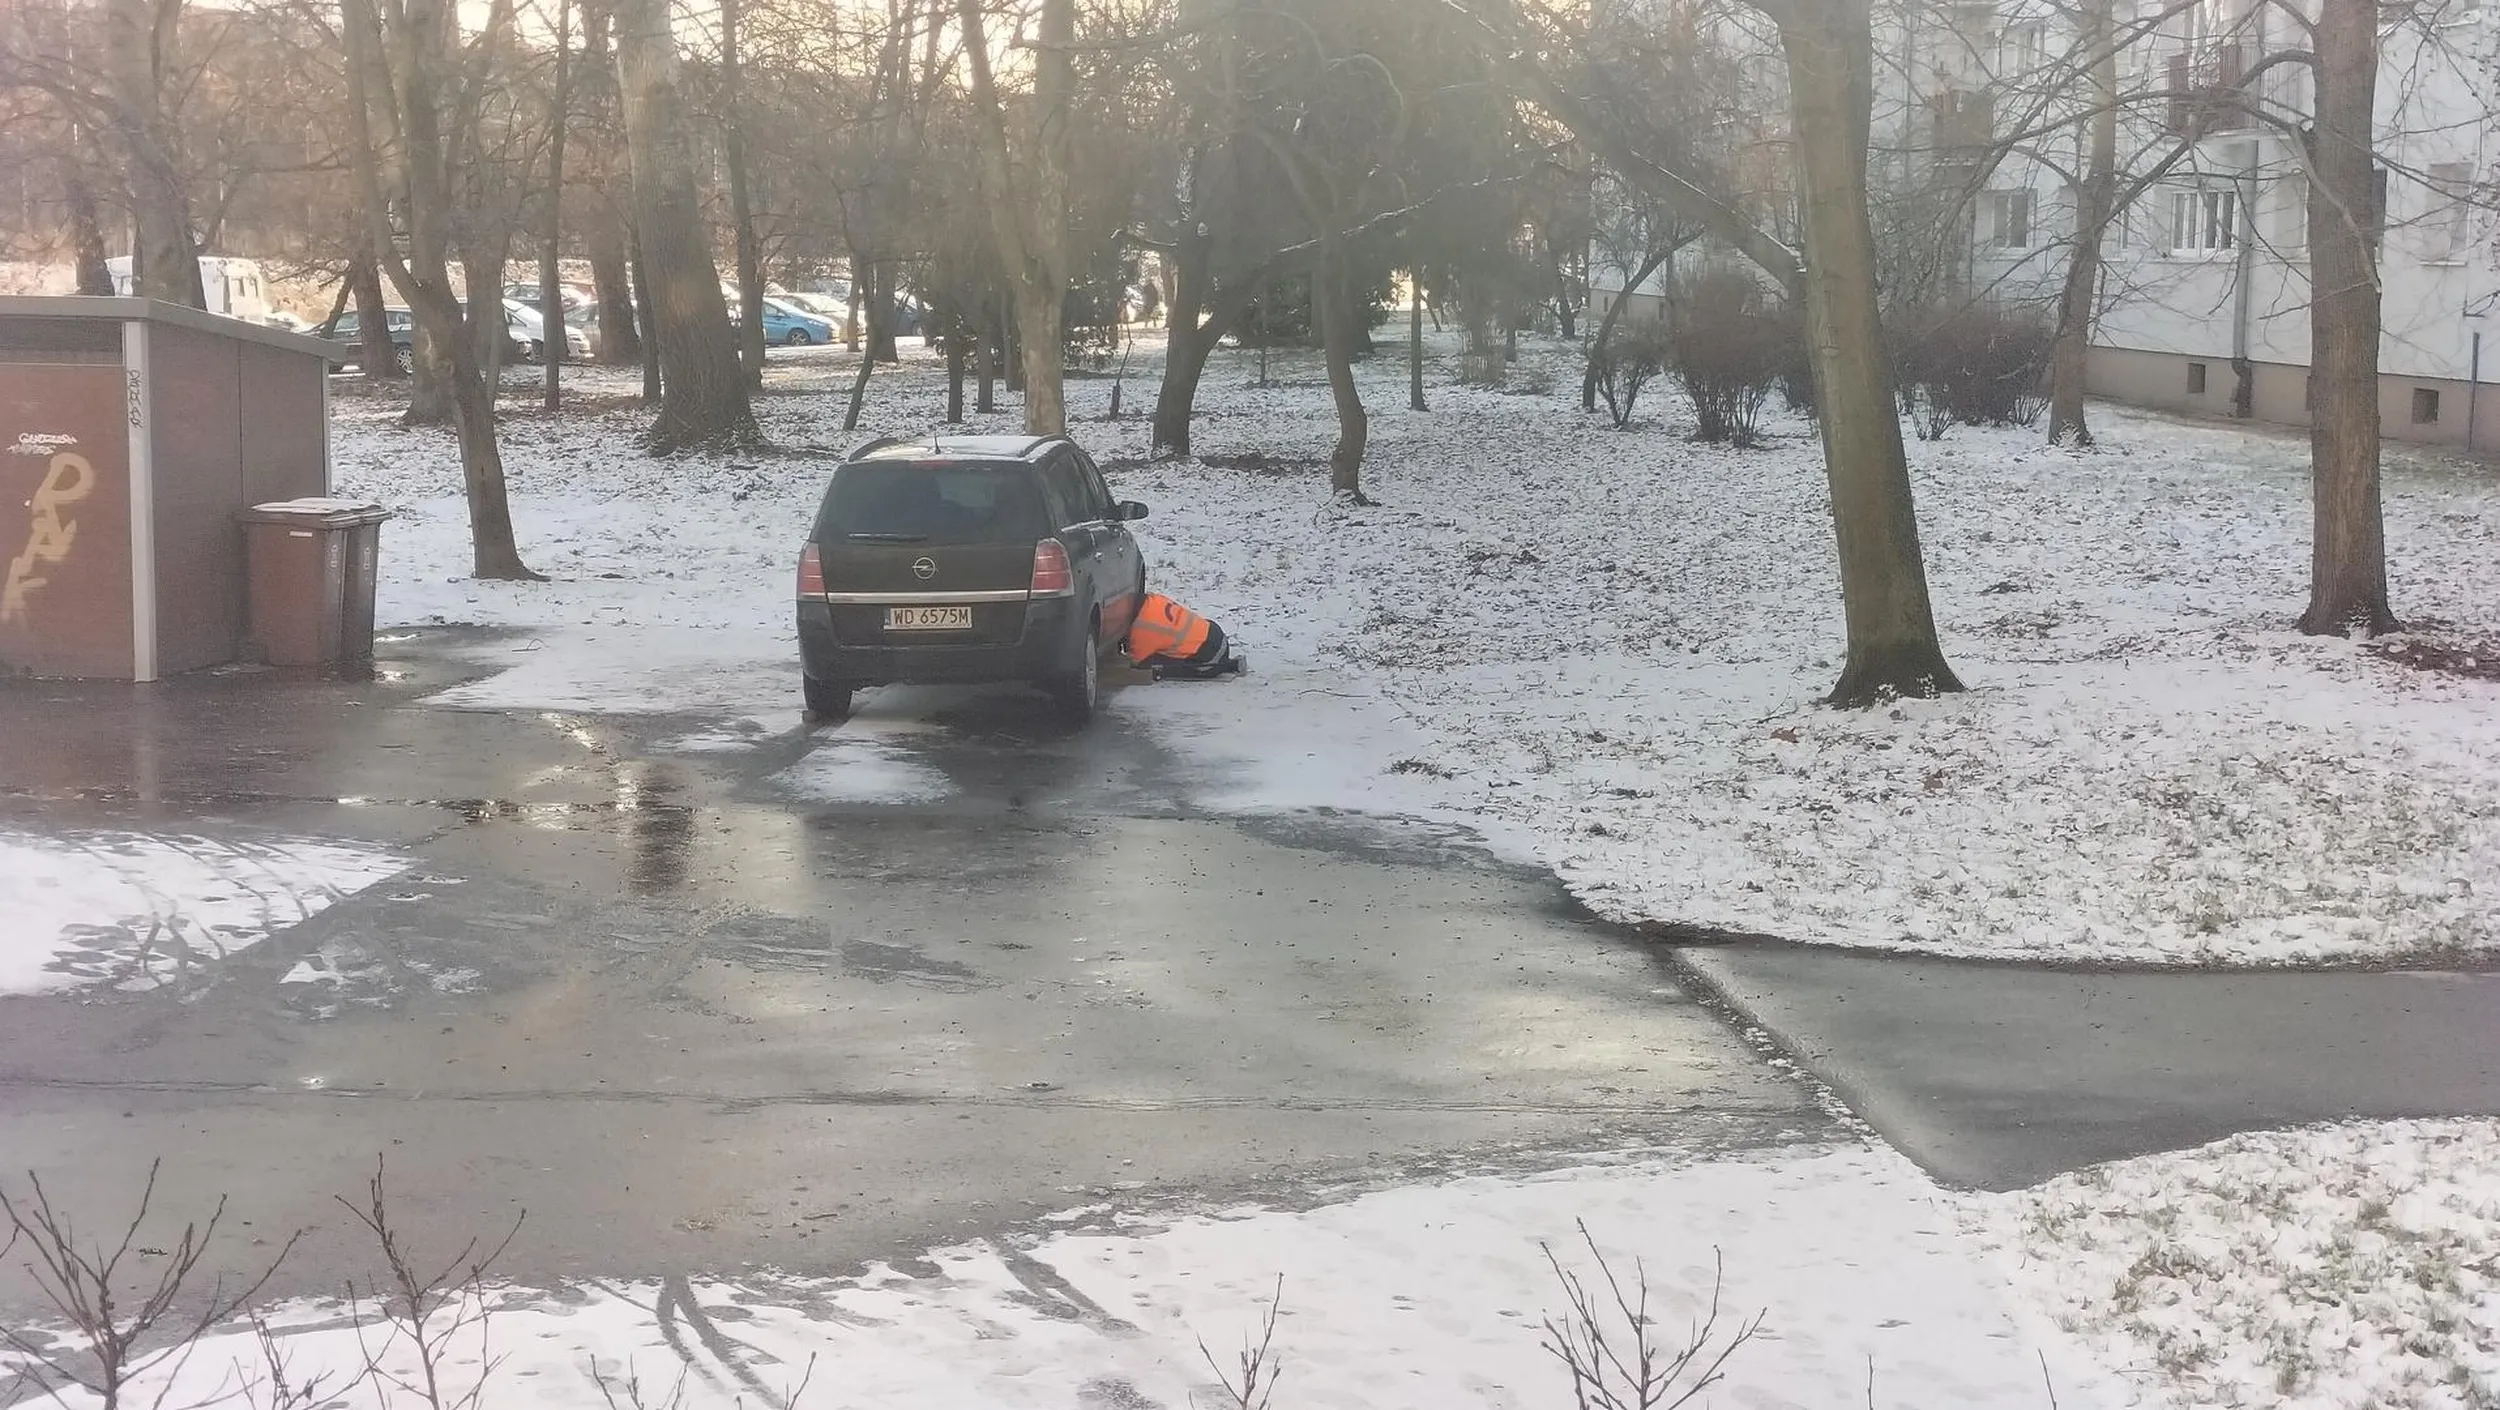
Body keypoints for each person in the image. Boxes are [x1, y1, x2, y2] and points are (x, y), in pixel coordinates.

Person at [1123, 593, 1243, 678]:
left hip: (1210, 659)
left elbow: (1134, 662)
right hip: (1216, 633)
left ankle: (1229, 666)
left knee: (1151, 666)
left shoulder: (1143, 630)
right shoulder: (1153, 599)